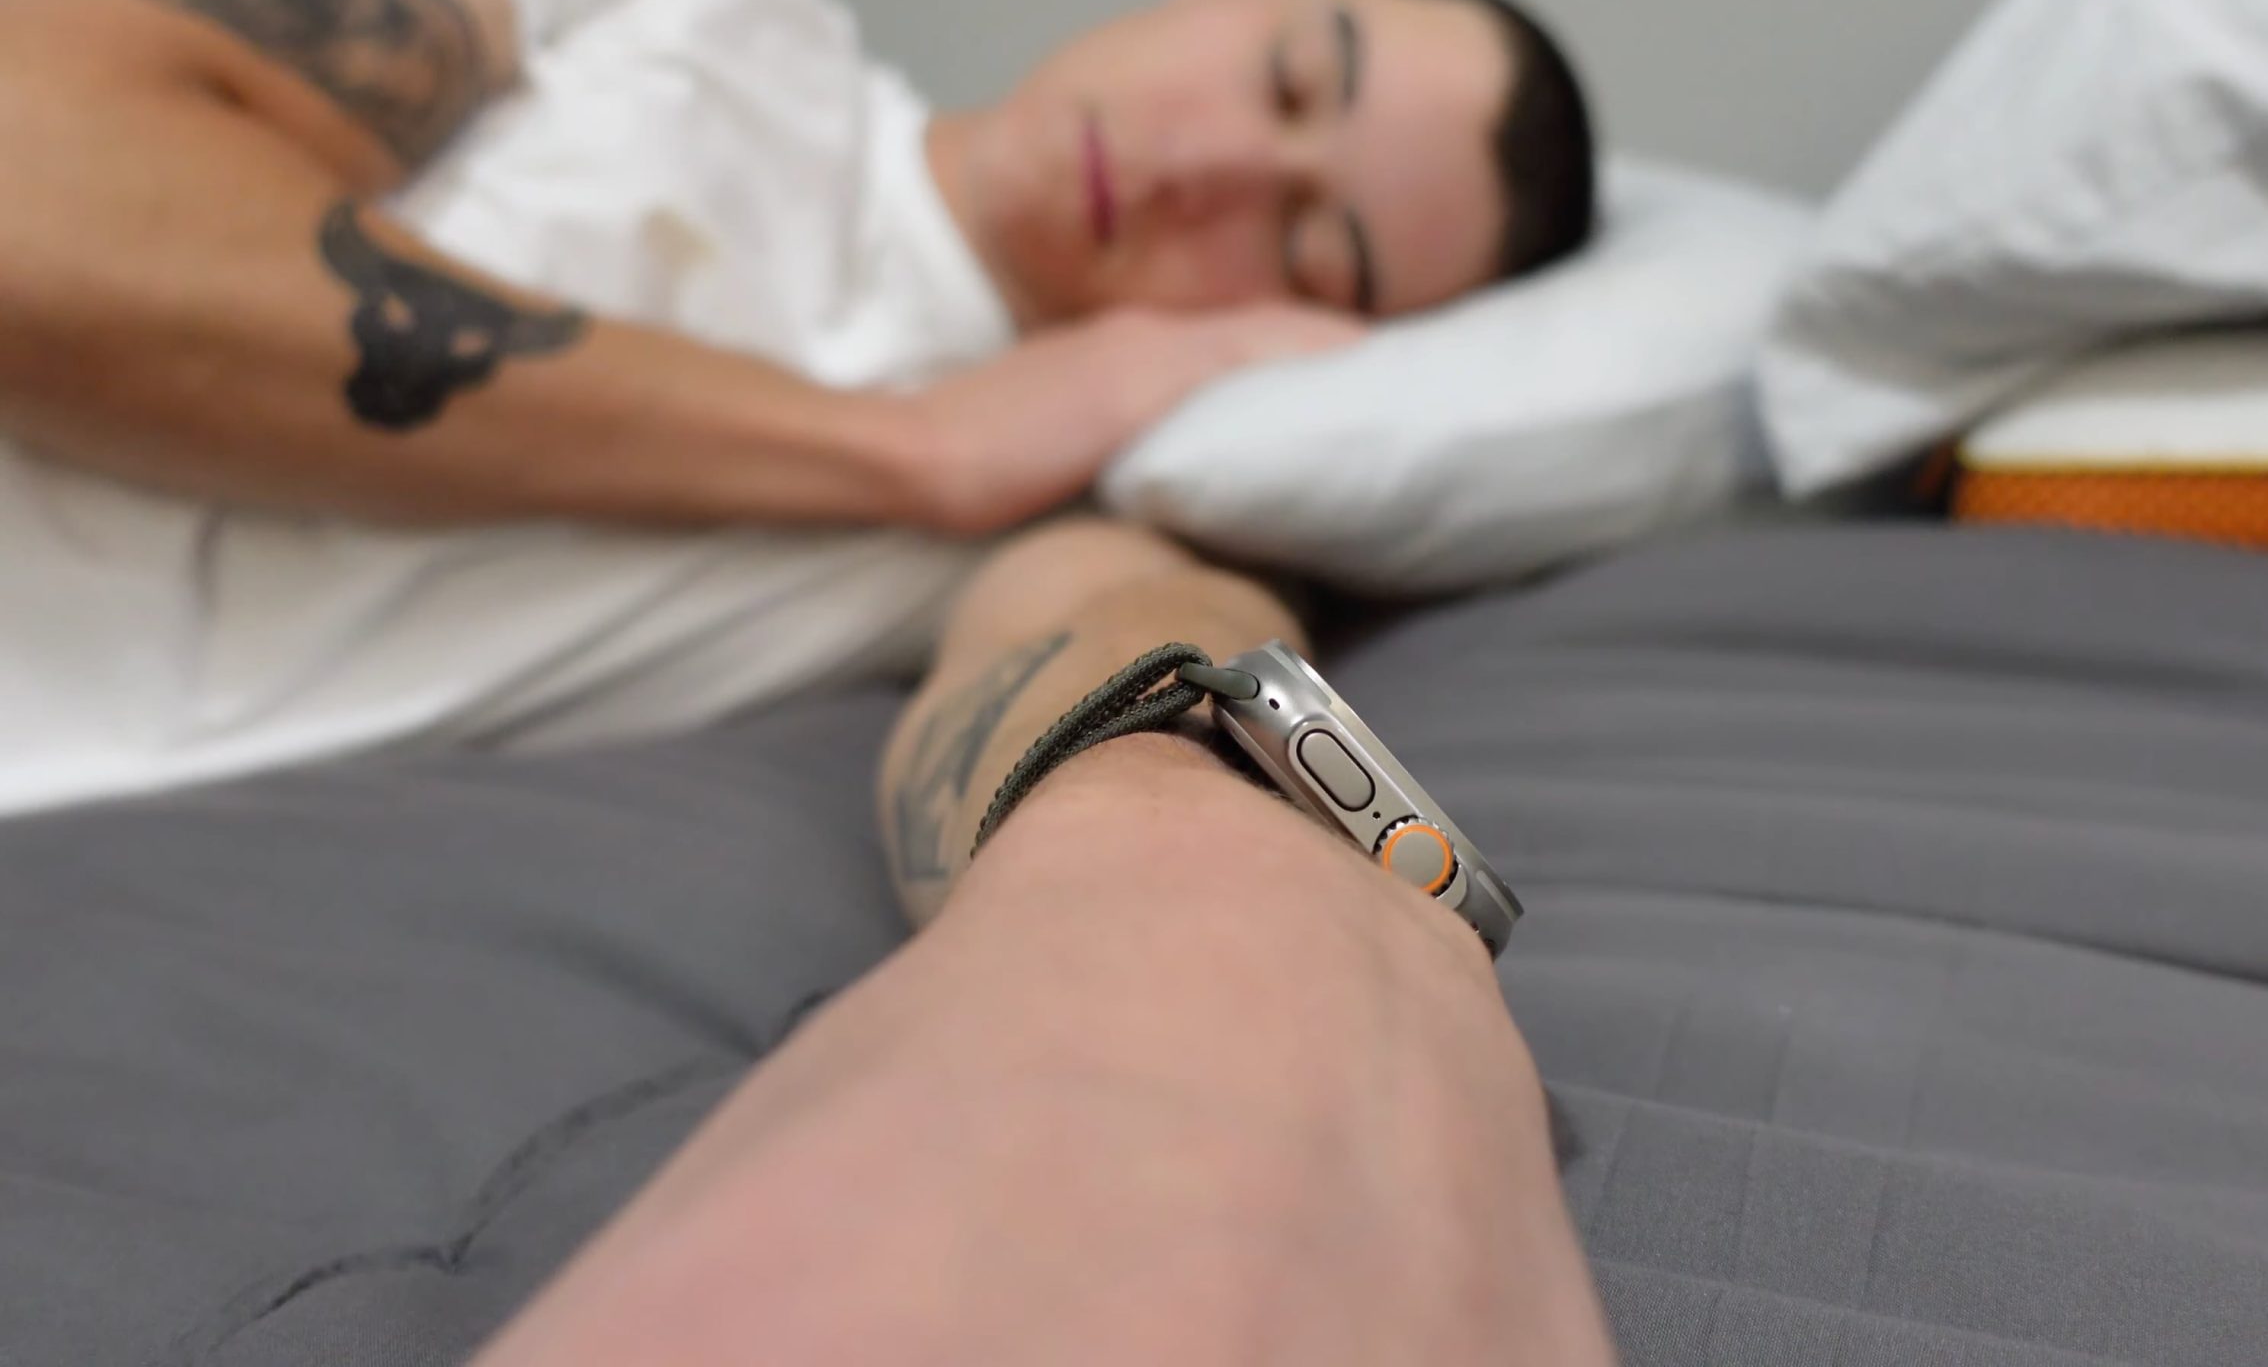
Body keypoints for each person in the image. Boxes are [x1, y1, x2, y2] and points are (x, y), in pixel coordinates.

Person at [0, 0, 1596, 814]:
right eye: (1288, 79)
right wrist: (892, 449)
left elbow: (1113, 655)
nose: (1213, 171)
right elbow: (33, 201)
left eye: (1311, 252)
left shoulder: (1074, 496)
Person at [472, 515, 1618, 1366]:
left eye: (1314, 249)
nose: (1202, 185)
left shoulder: (1125, 519)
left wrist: (1186, 862)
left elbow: (1113, 605)